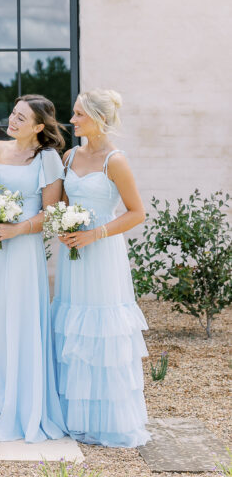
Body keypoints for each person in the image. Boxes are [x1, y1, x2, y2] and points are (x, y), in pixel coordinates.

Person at [52, 89, 150, 448]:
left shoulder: (115, 160)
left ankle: (108, 420)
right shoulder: (70, 154)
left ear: (99, 119)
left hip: (102, 252)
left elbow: (136, 212)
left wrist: (95, 234)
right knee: (74, 328)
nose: (72, 120)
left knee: (102, 330)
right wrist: (64, 226)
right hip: (73, 254)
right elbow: (64, 201)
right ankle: (74, 416)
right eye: (73, 113)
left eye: (79, 115)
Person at [0, 95, 68, 442]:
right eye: (13, 114)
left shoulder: (47, 159)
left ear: (38, 127)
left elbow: (51, 212)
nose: (13, 121)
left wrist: (17, 229)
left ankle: (24, 406)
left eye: (22, 118)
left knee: (21, 320)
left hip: (24, 250)